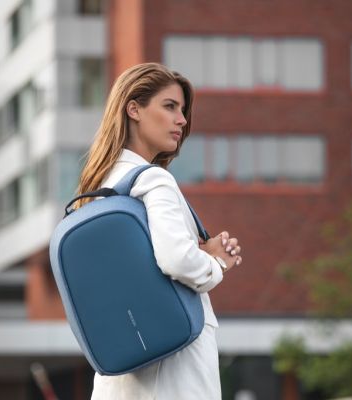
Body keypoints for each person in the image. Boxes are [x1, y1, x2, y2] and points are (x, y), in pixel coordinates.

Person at [76, 62, 242, 400]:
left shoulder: (100, 186)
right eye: (170, 106)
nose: (182, 120)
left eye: (182, 110)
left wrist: (197, 251)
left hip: (121, 375)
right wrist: (217, 263)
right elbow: (177, 260)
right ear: (134, 109)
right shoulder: (153, 179)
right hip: (173, 374)